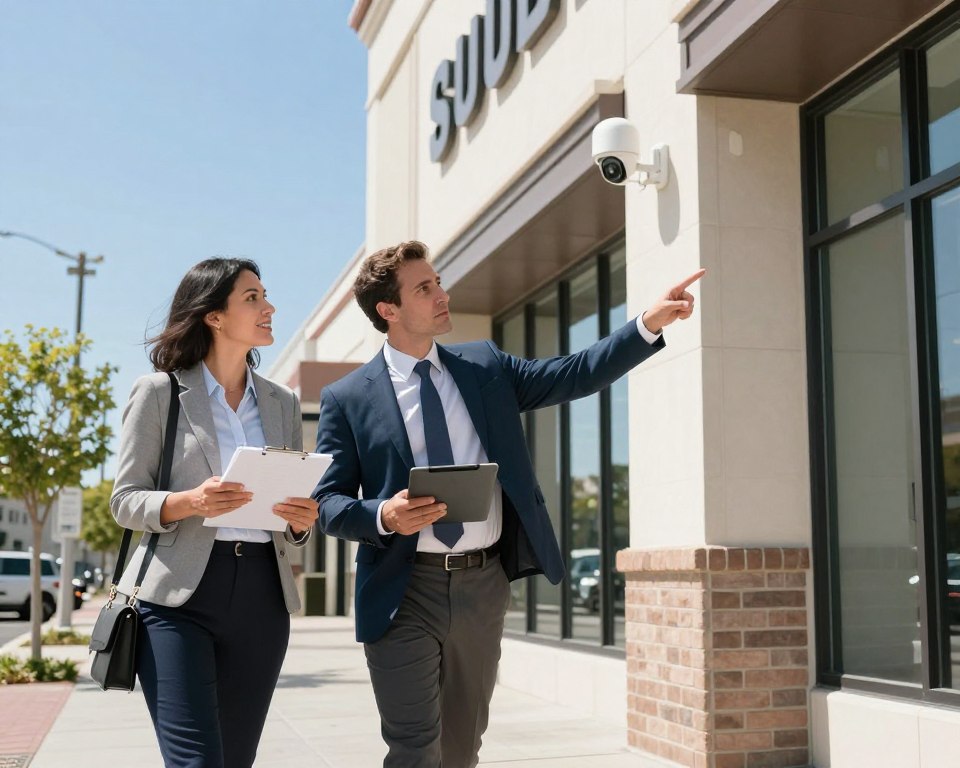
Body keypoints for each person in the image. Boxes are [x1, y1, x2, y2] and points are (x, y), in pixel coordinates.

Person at [314, 240, 704, 768]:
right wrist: (382, 514)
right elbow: (328, 501)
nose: (441, 294)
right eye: (424, 288)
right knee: (414, 748)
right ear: (389, 310)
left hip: (482, 584)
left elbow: (573, 373)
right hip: (402, 590)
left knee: (462, 747)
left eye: (438, 282)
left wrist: (647, 325)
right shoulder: (347, 397)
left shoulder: (484, 366)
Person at [110, 258, 319, 768]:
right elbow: (125, 500)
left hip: (262, 599)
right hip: (178, 599)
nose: (269, 307)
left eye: (265, 296)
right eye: (252, 298)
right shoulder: (160, 393)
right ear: (214, 316)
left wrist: (299, 520)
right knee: (197, 761)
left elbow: (290, 523)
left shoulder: (282, 403)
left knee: (235, 758)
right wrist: (190, 502)